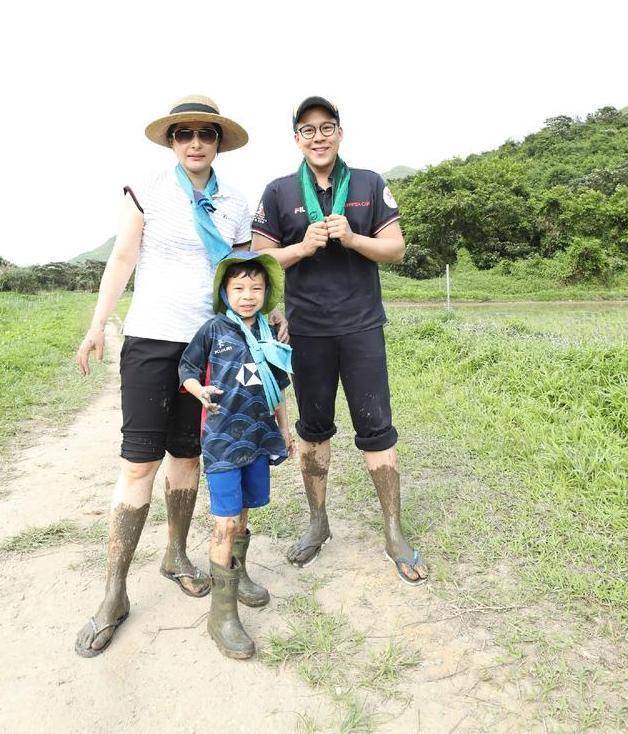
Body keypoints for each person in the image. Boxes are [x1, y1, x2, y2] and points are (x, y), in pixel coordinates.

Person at [75, 95, 286, 657]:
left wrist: (266, 320)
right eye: (184, 133)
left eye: (206, 133)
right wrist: (100, 324)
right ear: (171, 141)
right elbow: (123, 259)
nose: (195, 142)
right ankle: (114, 593)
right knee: (139, 462)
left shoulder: (236, 203)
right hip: (150, 339)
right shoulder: (147, 189)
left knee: (192, 457)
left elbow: (243, 276)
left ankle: (176, 553)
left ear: (219, 142)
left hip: (215, 345)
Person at [251, 96, 428, 585]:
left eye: (326, 127)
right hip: (306, 330)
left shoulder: (369, 184)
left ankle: (393, 532)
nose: (318, 136)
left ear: (340, 133)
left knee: (377, 428)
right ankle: (317, 522)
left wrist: (352, 239)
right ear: (297, 139)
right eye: (307, 130)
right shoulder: (279, 191)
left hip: (361, 326)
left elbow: (395, 248)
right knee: (313, 430)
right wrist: (303, 247)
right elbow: (261, 262)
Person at [179, 251, 293, 659]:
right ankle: (221, 616)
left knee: (245, 513)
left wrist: (284, 429)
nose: (248, 296)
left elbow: (277, 388)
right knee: (224, 524)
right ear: (225, 292)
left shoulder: (271, 333)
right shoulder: (213, 329)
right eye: (239, 288)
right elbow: (187, 369)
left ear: (267, 293)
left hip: (259, 440)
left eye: (256, 288)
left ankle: (239, 574)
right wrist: (200, 392)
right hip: (224, 443)